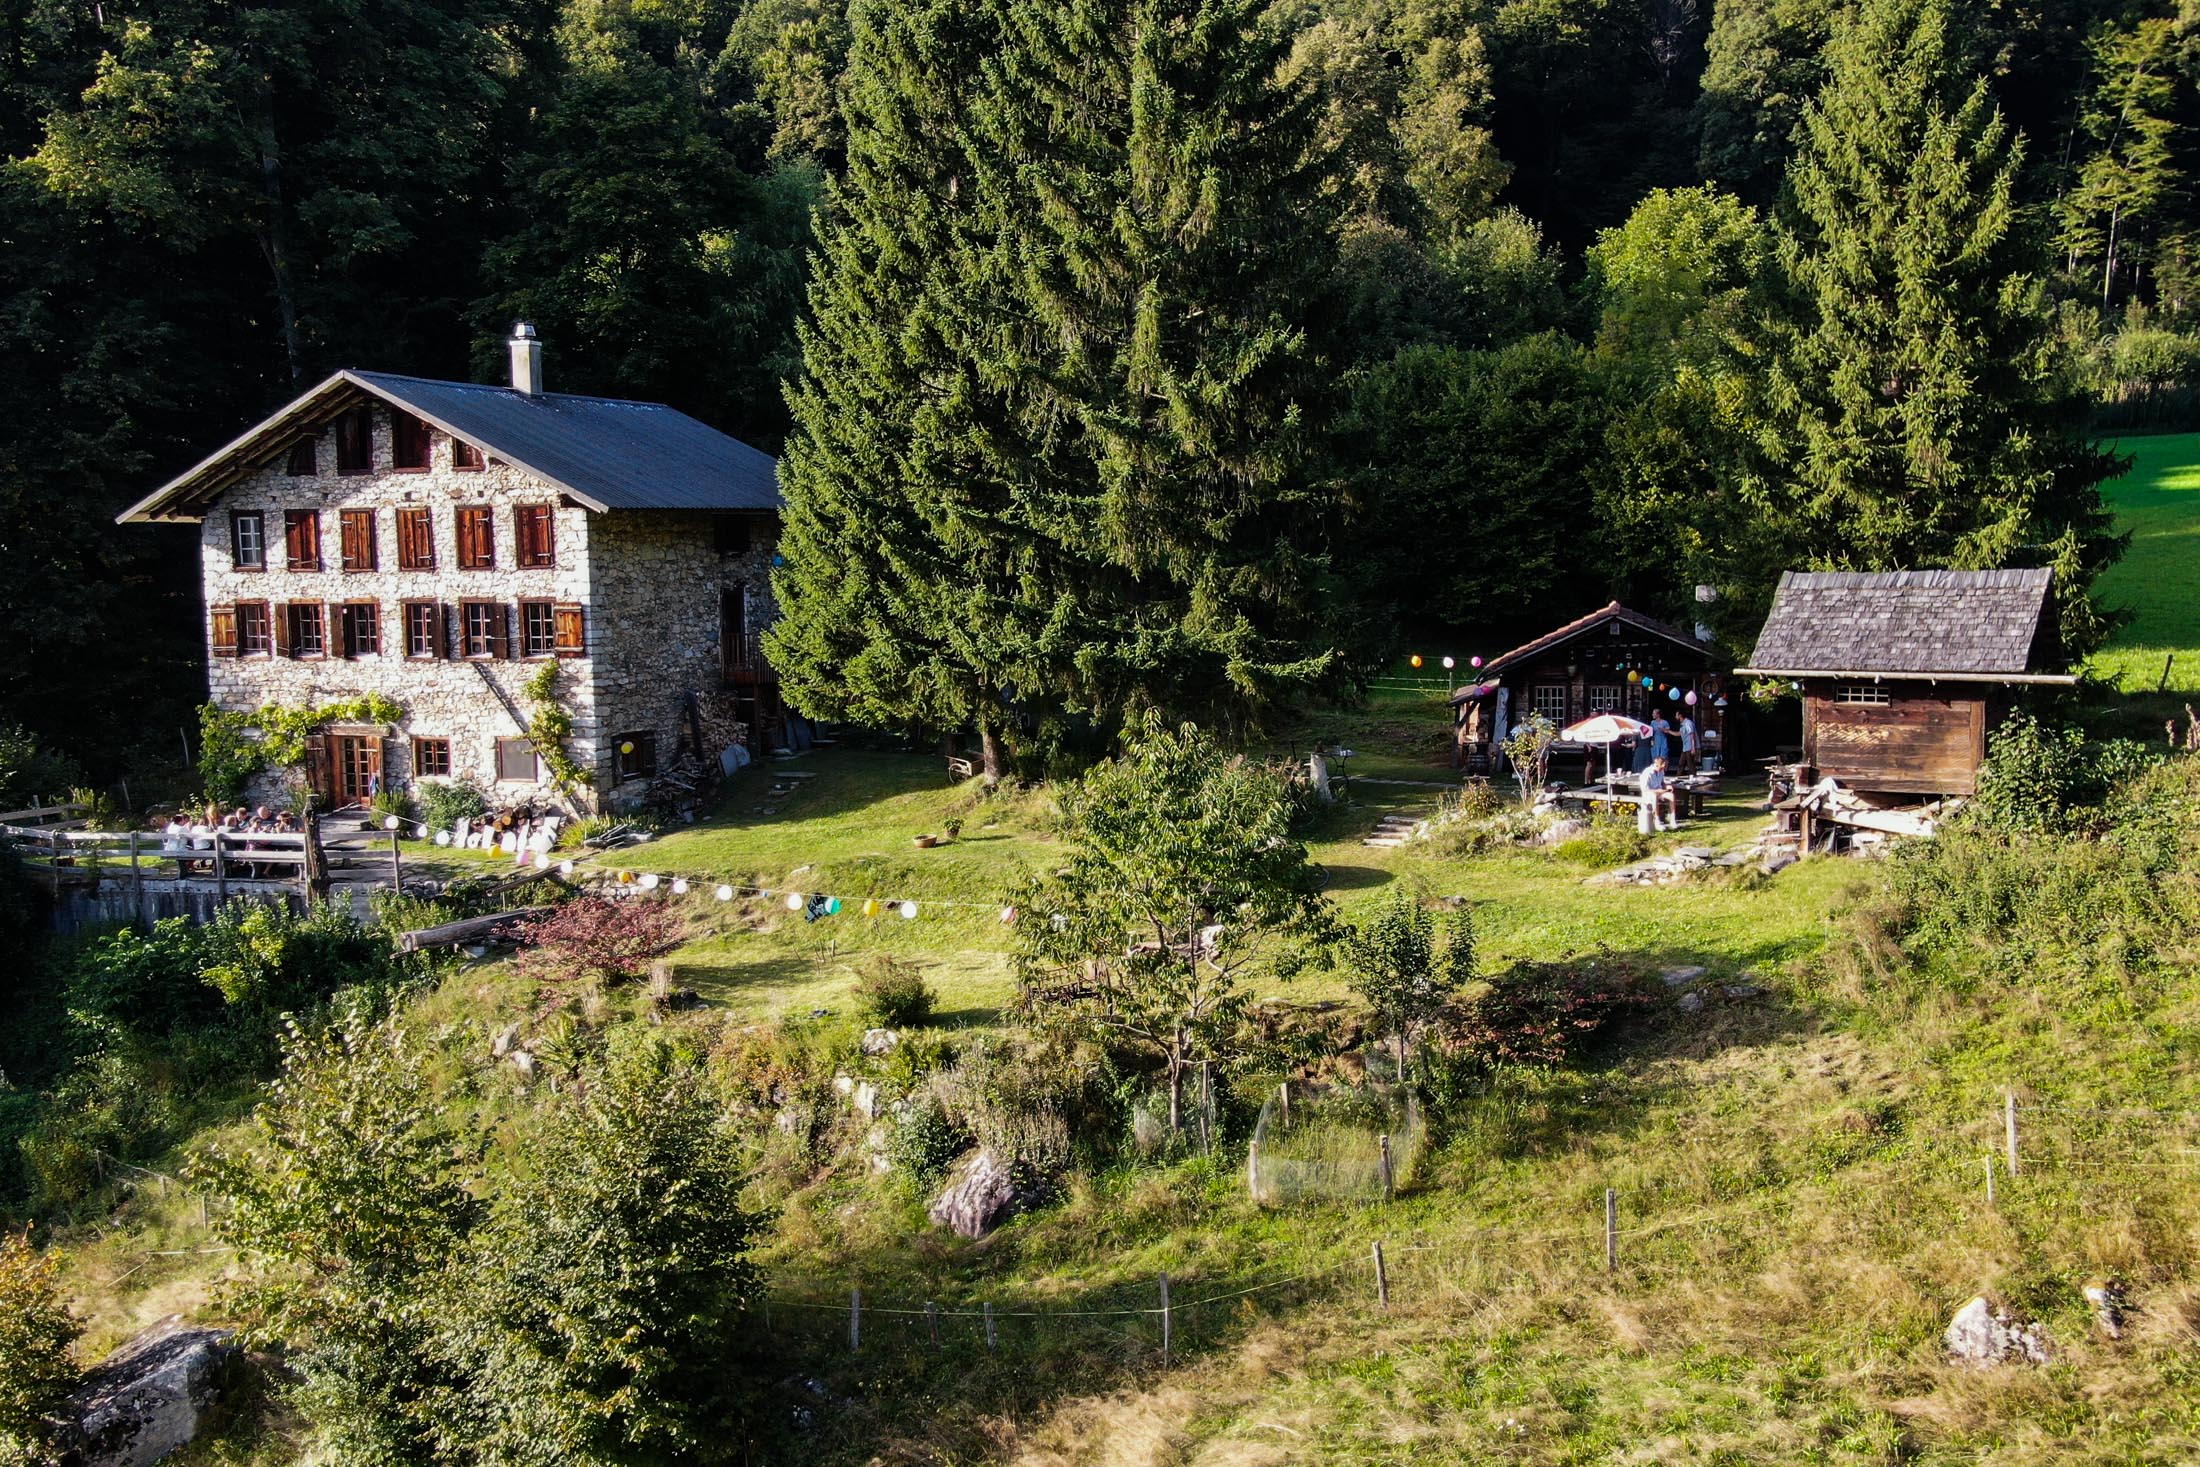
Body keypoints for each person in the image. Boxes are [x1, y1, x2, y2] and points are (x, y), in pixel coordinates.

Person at [1643, 757, 1679, 831]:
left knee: (1671, 796)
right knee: (1654, 796)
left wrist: (1667, 786)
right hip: (1649, 793)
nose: (1663, 769)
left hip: (1659, 791)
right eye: (1662, 767)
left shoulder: (1661, 771)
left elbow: (1662, 783)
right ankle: (1657, 821)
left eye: (1664, 767)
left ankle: (1672, 820)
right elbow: (1645, 788)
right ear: (1657, 765)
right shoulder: (1647, 772)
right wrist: (1657, 791)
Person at [1678, 711, 1700, 776]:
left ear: (1680, 715)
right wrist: (1668, 731)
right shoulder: (1683, 724)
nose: (1675, 717)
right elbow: (1679, 733)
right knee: (1681, 762)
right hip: (1685, 747)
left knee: (1690, 763)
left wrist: (1693, 748)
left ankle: (1693, 776)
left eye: (1676, 715)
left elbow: (1692, 735)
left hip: (1690, 747)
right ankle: (1679, 776)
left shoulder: (1688, 723)